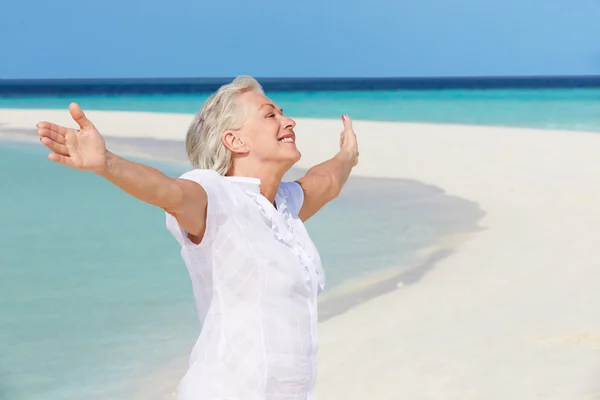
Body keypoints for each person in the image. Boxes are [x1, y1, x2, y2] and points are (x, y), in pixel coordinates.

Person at [35, 76, 359, 400]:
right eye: (270, 114)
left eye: (282, 113)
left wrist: (347, 156)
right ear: (235, 141)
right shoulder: (216, 197)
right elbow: (168, 191)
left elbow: (325, 181)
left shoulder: (283, 207)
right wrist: (107, 164)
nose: (289, 121)